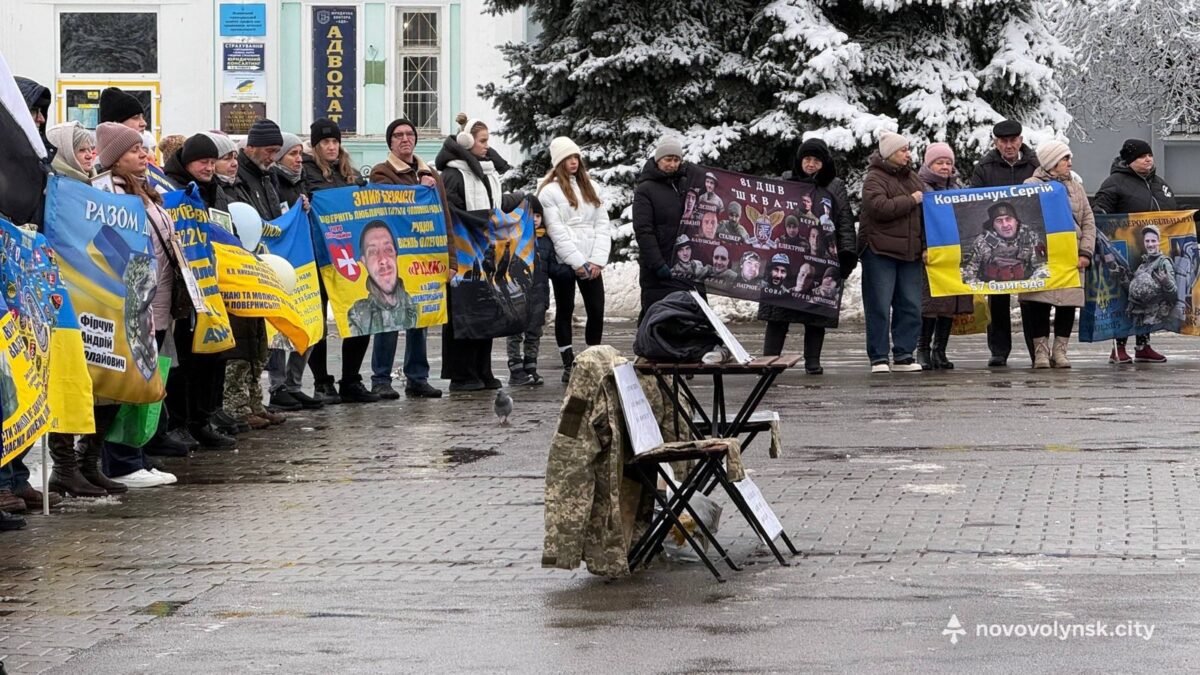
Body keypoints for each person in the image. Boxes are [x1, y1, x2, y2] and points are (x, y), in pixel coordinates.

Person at [93, 122, 180, 488]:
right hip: (132, 304)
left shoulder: (143, 190)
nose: (144, 155)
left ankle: (137, 454)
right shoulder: (108, 195)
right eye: (134, 150)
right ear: (115, 157)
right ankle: (121, 462)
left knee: (147, 380)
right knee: (128, 383)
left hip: (156, 302)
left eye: (143, 149)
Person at [161, 132, 238, 450]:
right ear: (187, 163)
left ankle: (202, 420)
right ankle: (180, 422)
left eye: (211, 162)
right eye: (202, 162)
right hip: (183, 291)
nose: (208, 168)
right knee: (184, 361)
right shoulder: (170, 189)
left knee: (212, 356)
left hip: (212, 285)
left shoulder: (214, 189)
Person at [436, 114, 524, 392]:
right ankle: (461, 374)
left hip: (486, 253)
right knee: (464, 314)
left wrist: (520, 200)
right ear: (466, 142)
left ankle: (482, 369)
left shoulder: (487, 172)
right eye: (482, 141)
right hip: (464, 256)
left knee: (487, 310)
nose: (487, 146)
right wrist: (486, 220)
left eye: (488, 140)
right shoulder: (453, 175)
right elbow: (451, 213)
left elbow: (493, 205)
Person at [364, 118, 447, 399]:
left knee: (419, 316)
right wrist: (418, 190)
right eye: (398, 135)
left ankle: (417, 377)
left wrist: (450, 259)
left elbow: (444, 217)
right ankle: (381, 378)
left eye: (409, 134)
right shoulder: (382, 172)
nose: (404, 139)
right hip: (393, 255)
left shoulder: (431, 174)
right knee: (388, 317)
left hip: (424, 253)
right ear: (390, 142)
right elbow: (387, 205)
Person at [760, 138, 857, 374]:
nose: (811, 164)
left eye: (816, 160)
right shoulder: (786, 182)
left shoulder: (835, 186)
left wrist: (847, 254)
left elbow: (844, 222)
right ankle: (769, 360)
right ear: (799, 160)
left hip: (820, 257)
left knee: (816, 311)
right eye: (807, 159)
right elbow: (773, 216)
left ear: (824, 163)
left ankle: (813, 360)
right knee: (778, 310)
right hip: (788, 256)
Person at [1092, 138, 1178, 364]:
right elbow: (1100, 209)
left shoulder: (1159, 184)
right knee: (1124, 298)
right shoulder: (1114, 182)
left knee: (1148, 298)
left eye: (1149, 155)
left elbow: (1173, 215)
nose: (1148, 159)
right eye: (1141, 156)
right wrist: (1101, 214)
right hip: (1124, 251)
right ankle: (1118, 347)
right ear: (1129, 160)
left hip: (1150, 252)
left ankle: (1143, 345)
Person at [224, 119, 287, 423]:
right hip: (242, 265)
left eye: (276, 151)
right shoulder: (240, 180)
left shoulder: (267, 176)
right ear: (251, 147)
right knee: (242, 341)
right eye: (269, 150)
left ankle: (254, 402)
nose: (272, 157)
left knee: (259, 341)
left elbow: (272, 215)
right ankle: (237, 406)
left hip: (263, 261)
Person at [300, 118, 366, 402]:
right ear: (316, 145)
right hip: (319, 255)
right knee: (318, 320)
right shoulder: (305, 172)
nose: (331, 147)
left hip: (349, 255)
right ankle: (322, 381)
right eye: (326, 142)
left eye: (335, 141)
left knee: (361, 313)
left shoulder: (349, 173)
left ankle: (351, 379)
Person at [538, 136, 612, 383]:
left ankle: (593, 357)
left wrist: (597, 261)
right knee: (565, 308)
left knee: (596, 309)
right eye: (568, 158)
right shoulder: (549, 192)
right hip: (565, 261)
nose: (573, 162)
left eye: (576, 157)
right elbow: (556, 230)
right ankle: (568, 362)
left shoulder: (592, 187)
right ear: (559, 162)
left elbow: (602, 225)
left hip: (592, 258)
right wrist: (578, 262)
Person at [969, 120, 1041, 367]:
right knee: (997, 297)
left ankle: (1037, 349)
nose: (1009, 145)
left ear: (1020, 140)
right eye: (1004, 141)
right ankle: (999, 350)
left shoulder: (1035, 165)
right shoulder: (984, 168)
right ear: (996, 143)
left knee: (1032, 296)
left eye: (1013, 141)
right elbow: (973, 201)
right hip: (996, 238)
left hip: (1026, 236)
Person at [1020, 140, 1095, 369]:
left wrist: (1085, 252)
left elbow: (1088, 221)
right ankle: (1041, 353)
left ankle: (1060, 351)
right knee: (1039, 305)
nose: (1070, 163)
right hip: (1041, 257)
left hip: (1071, 257)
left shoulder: (1076, 187)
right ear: (1052, 162)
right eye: (1065, 158)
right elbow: (1024, 219)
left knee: (1067, 305)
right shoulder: (1030, 185)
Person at [263, 133, 322, 412]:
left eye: (300, 153)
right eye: (292, 154)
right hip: (278, 261)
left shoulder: (302, 181)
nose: (299, 159)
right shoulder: (271, 181)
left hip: (302, 259)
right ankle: (278, 386)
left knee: (308, 319)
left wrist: (306, 209)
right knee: (279, 326)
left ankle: (294, 383)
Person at [860, 131, 925, 373]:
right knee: (879, 306)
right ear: (890, 153)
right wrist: (911, 200)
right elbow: (879, 207)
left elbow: (925, 216)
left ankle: (904, 355)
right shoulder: (874, 178)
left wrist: (925, 245)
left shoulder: (914, 179)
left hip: (910, 253)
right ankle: (878, 357)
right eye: (903, 150)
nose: (908, 154)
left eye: (908, 149)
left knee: (911, 305)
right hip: (880, 251)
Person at [632, 136, 704, 321]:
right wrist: (658, 264)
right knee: (657, 317)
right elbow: (644, 230)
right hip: (659, 267)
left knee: (692, 318)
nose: (672, 164)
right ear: (658, 160)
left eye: (676, 160)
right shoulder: (645, 189)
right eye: (668, 159)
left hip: (686, 264)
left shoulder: (686, 184)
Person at [917, 143, 973, 370]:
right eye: (939, 162)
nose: (944, 167)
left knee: (950, 302)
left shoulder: (957, 188)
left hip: (954, 253)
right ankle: (922, 349)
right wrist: (923, 246)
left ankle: (939, 350)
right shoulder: (921, 188)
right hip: (931, 253)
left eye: (948, 163)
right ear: (929, 164)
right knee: (931, 303)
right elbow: (917, 222)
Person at [507, 198, 551, 385]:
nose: (535, 219)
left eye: (538, 216)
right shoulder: (514, 240)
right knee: (515, 332)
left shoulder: (545, 241)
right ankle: (515, 368)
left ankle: (531, 366)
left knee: (534, 332)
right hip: (517, 294)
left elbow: (550, 269)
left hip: (539, 294)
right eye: (531, 215)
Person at [1127, 225, 1177, 328]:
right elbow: (1133, 291)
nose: (1150, 244)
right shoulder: (1142, 266)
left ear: (1159, 242)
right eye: (1147, 241)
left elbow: (1174, 296)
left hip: (1156, 318)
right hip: (1141, 317)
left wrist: (1166, 283)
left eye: (1153, 241)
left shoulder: (1164, 263)